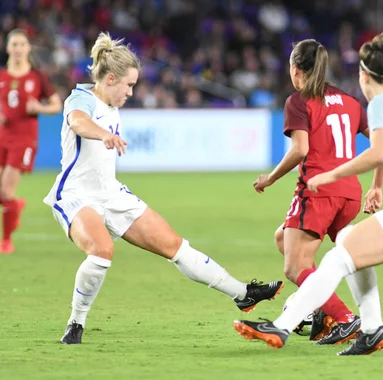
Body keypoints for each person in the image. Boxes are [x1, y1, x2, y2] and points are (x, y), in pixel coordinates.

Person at [233, 25, 383, 355]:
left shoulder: (381, 104)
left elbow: (379, 152)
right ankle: (371, 330)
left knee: (336, 259)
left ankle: (284, 326)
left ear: (365, 74)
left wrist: (330, 175)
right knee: (348, 243)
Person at [42, 32, 283, 345]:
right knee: (102, 250)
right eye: (128, 85)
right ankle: (76, 322)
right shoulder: (81, 98)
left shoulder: (110, 103)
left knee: (175, 245)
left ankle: (242, 294)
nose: (131, 92)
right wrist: (102, 134)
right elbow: (77, 122)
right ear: (111, 78)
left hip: (111, 193)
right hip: (75, 195)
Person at [253, 39, 368, 344]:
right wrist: (378, 185)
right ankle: (322, 308)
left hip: (319, 193)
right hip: (350, 195)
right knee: (283, 238)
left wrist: (271, 178)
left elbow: (300, 149)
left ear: (295, 68)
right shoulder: (348, 100)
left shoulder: (299, 100)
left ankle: (343, 318)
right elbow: (380, 140)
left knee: (295, 266)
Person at [0, 29, 62, 253]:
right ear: (7, 48)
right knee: (4, 195)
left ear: (28, 48)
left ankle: (6, 241)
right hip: (2, 137)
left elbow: (57, 105)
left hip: (24, 139)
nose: (17, 49)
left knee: (5, 192)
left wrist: (40, 108)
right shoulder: (2, 76)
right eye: (13, 44)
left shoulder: (37, 77)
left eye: (21, 45)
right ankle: (15, 206)